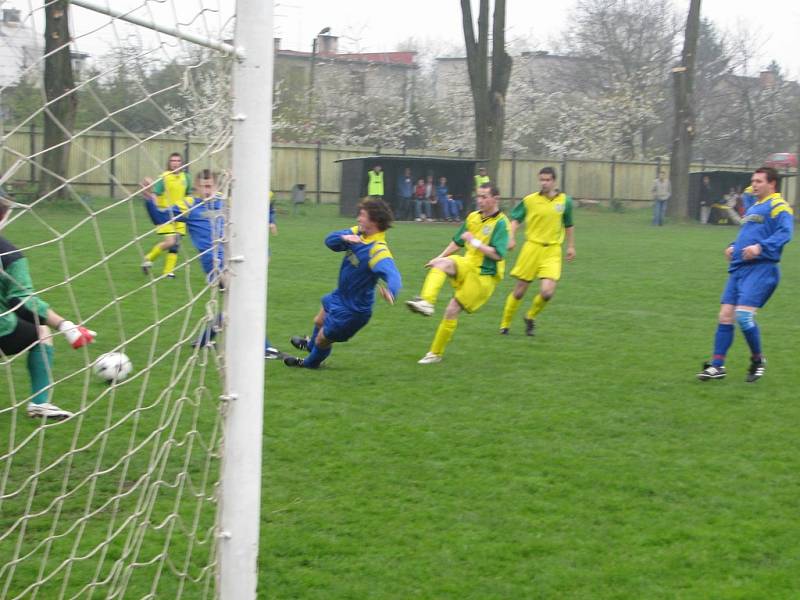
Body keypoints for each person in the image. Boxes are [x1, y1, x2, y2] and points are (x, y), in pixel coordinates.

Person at [142, 170, 285, 356]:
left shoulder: (225, 201)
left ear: (216, 186)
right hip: (213, 262)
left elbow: (259, 203)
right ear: (196, 187)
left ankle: (204, 339)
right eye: (202, 187)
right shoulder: (189, 204)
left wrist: (238, 182)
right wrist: (149, 199)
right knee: (242, 298)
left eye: (210, 186)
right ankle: (263, 347)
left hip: (235, 257)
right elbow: (160, 218)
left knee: (235, 301)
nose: (206, 190)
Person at [0, 187, 96, 420]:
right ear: (4, 214)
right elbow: (20, 301)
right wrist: (65, 325)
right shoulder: (9, 254)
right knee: (42, 332)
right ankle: (40, 403)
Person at [697, 167, 793, 382]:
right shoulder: (754, 207)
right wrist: (734, 246)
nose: (754, 185)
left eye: (759, 181)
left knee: (743, 315)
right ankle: (717, 366)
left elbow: (785, 233)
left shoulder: (779, 206)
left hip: (762, 268)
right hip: (740, 268)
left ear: (772, 184)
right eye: (753, 181)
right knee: (725, 316)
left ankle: (758, 360)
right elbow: (748, 233)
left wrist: (760, 248)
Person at [284, 198, 401, 369]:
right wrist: (345, 238)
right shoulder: (358, 233)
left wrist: (392, 291)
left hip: (354, 310)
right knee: (318, 321)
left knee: (323, 338)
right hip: (340, 296)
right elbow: (329, 241)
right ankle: (310, 347)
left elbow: (393, 274)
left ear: (374, 221)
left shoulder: (377, 250)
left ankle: (310, 363)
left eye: (362, 215)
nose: (358, 219)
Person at [406, 183, 510, 364]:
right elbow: (457, 242)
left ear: (496, 199)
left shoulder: (502, 223)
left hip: (484, 275)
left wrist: (475, 242)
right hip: (468, 263)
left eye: (485, 197)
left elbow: (498, 255)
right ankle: (427, 302)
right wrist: (438, 257)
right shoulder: (473, 217)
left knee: (451, 310)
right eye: (479, 196)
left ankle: (435, 353)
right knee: (441, 264)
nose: (480, 200)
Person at [498, 167, 575, 336]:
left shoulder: (565, 201)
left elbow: (569, 224)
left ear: (554, 181)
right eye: (541, 180)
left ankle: (530, 316)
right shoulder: (530, 200)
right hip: (531, 248)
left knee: (547, 292)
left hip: (553, 250)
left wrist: (570, 246)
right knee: (519, 291)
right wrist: (511, 238)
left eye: (547, 180)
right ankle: (505, 324)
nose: (544, 183)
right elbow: (515, 220)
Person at [141, 152, 191, 278]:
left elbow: (188, 195)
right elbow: (155, 194)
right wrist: (156, 210)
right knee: (170, 242)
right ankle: (148, 258)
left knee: (176, 244)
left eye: (178, 161)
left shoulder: (186, 178)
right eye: (173, 161)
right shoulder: (163, 177)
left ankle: (168, 272)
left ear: (182, 163)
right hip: (165, 215)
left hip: (180, 214)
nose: (175, 163)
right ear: (169, 163)